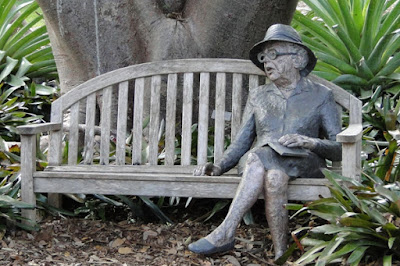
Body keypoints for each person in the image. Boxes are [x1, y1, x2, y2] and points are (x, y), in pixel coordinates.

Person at [188, 24, 342, 259]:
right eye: (263, 57)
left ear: (298, 59)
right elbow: (242, 140)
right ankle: (281, 254)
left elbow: (338, 148)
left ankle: (226, 231)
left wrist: (310, 142)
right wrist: (218, 166)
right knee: (274, 177)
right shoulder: (258, 96)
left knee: (257, 155)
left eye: (274, 54)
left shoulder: (322, 96)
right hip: (265, 164)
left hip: (304, 163)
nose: (266, 62)